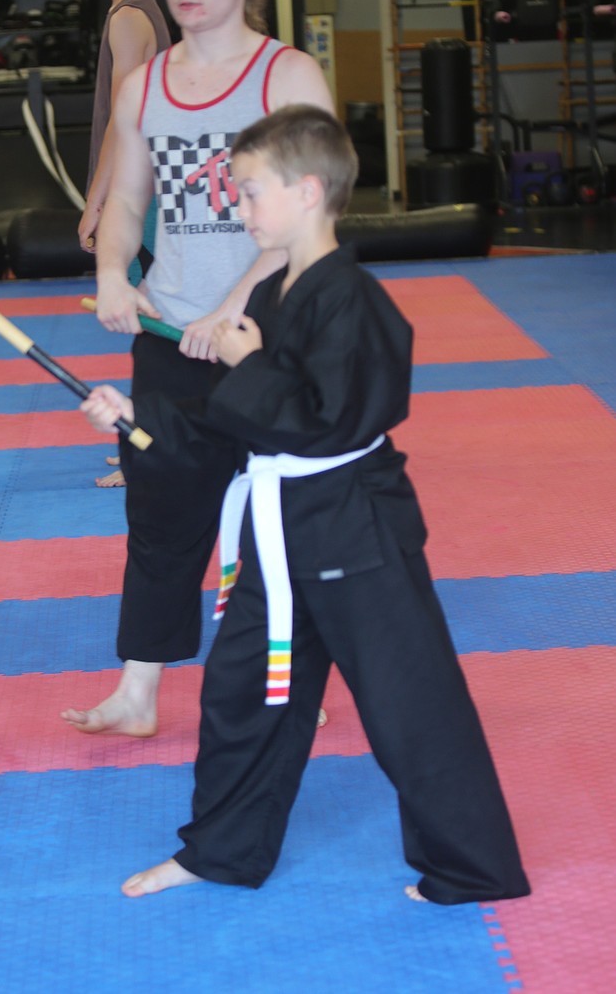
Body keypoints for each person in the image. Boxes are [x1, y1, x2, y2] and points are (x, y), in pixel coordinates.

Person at [81, 104, 531, 907]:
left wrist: (249, 365)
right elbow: (240, 426)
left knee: (410, 701)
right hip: (279, 535)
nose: (237, 208)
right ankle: (220, 851)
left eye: (250, 193)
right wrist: (138, 420)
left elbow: (331, 424)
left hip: (356, 531)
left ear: (309, 191)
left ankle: (472, 868)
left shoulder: (352, 300)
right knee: (243, 694)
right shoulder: (281, 294)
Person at [62, 0, 333, 736]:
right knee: (162, 509)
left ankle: (296, 689)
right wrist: (113, 271)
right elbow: (131, 200)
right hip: (174, 333)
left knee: (285, 521)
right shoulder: (149, 84)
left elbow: (312, 218)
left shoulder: (286, 76)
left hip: (270, 333)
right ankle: (139, 692)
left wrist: (233, 304)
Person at [74, 0, 172, 488]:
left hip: (144, 188)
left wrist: (96, 200)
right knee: (149, 315)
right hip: (147, 183)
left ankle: (150, 445)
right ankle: (149, 435)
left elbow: (121, 117)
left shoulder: (128, 18)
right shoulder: (137, 14)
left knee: (154, 319)